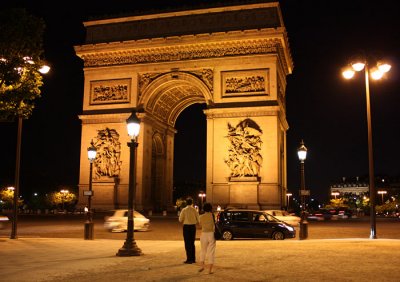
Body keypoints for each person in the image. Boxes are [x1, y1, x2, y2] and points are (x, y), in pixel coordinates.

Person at [178, 197, 200, 264]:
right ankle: (193, 259)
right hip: (193, 227)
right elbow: (198, 219)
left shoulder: (184, 210)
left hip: (186, 227)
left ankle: (189, 259)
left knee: (187, 243)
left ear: (186, 203)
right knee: (192, 243)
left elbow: (180, 220)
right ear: (192, 203)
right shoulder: (194, 210)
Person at [198, 202, 216, 274]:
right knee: (211, 251)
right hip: (211, 234)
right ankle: (210, 270)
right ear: (210, 208)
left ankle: (202, 266)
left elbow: (200, 225)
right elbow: (214, 224)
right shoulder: (212, 215)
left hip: (203, 234)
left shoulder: (200, 216)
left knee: (203, 250)